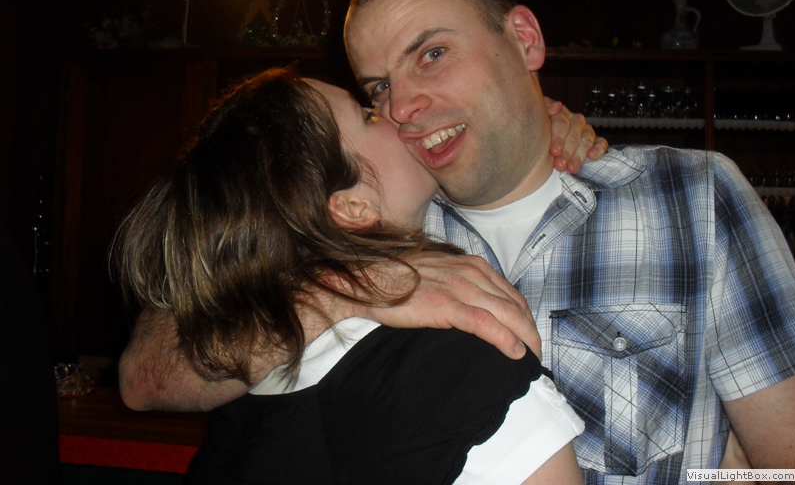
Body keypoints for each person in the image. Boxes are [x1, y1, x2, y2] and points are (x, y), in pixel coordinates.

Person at [340, 0, 795, 482]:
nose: (401, 108)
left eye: (432, 54)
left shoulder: (693, 198)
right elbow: (242, 366)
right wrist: (346, 287)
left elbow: (784, 465)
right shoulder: (371, 241)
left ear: (524, 39)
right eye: (380, 88)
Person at [112, 68, 585, 484]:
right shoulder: (459, 377)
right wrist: (349, 287)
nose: (396, 111)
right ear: (353, 207)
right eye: (369, 112)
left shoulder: (253, 377)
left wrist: (528, 129)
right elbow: (141, 378)